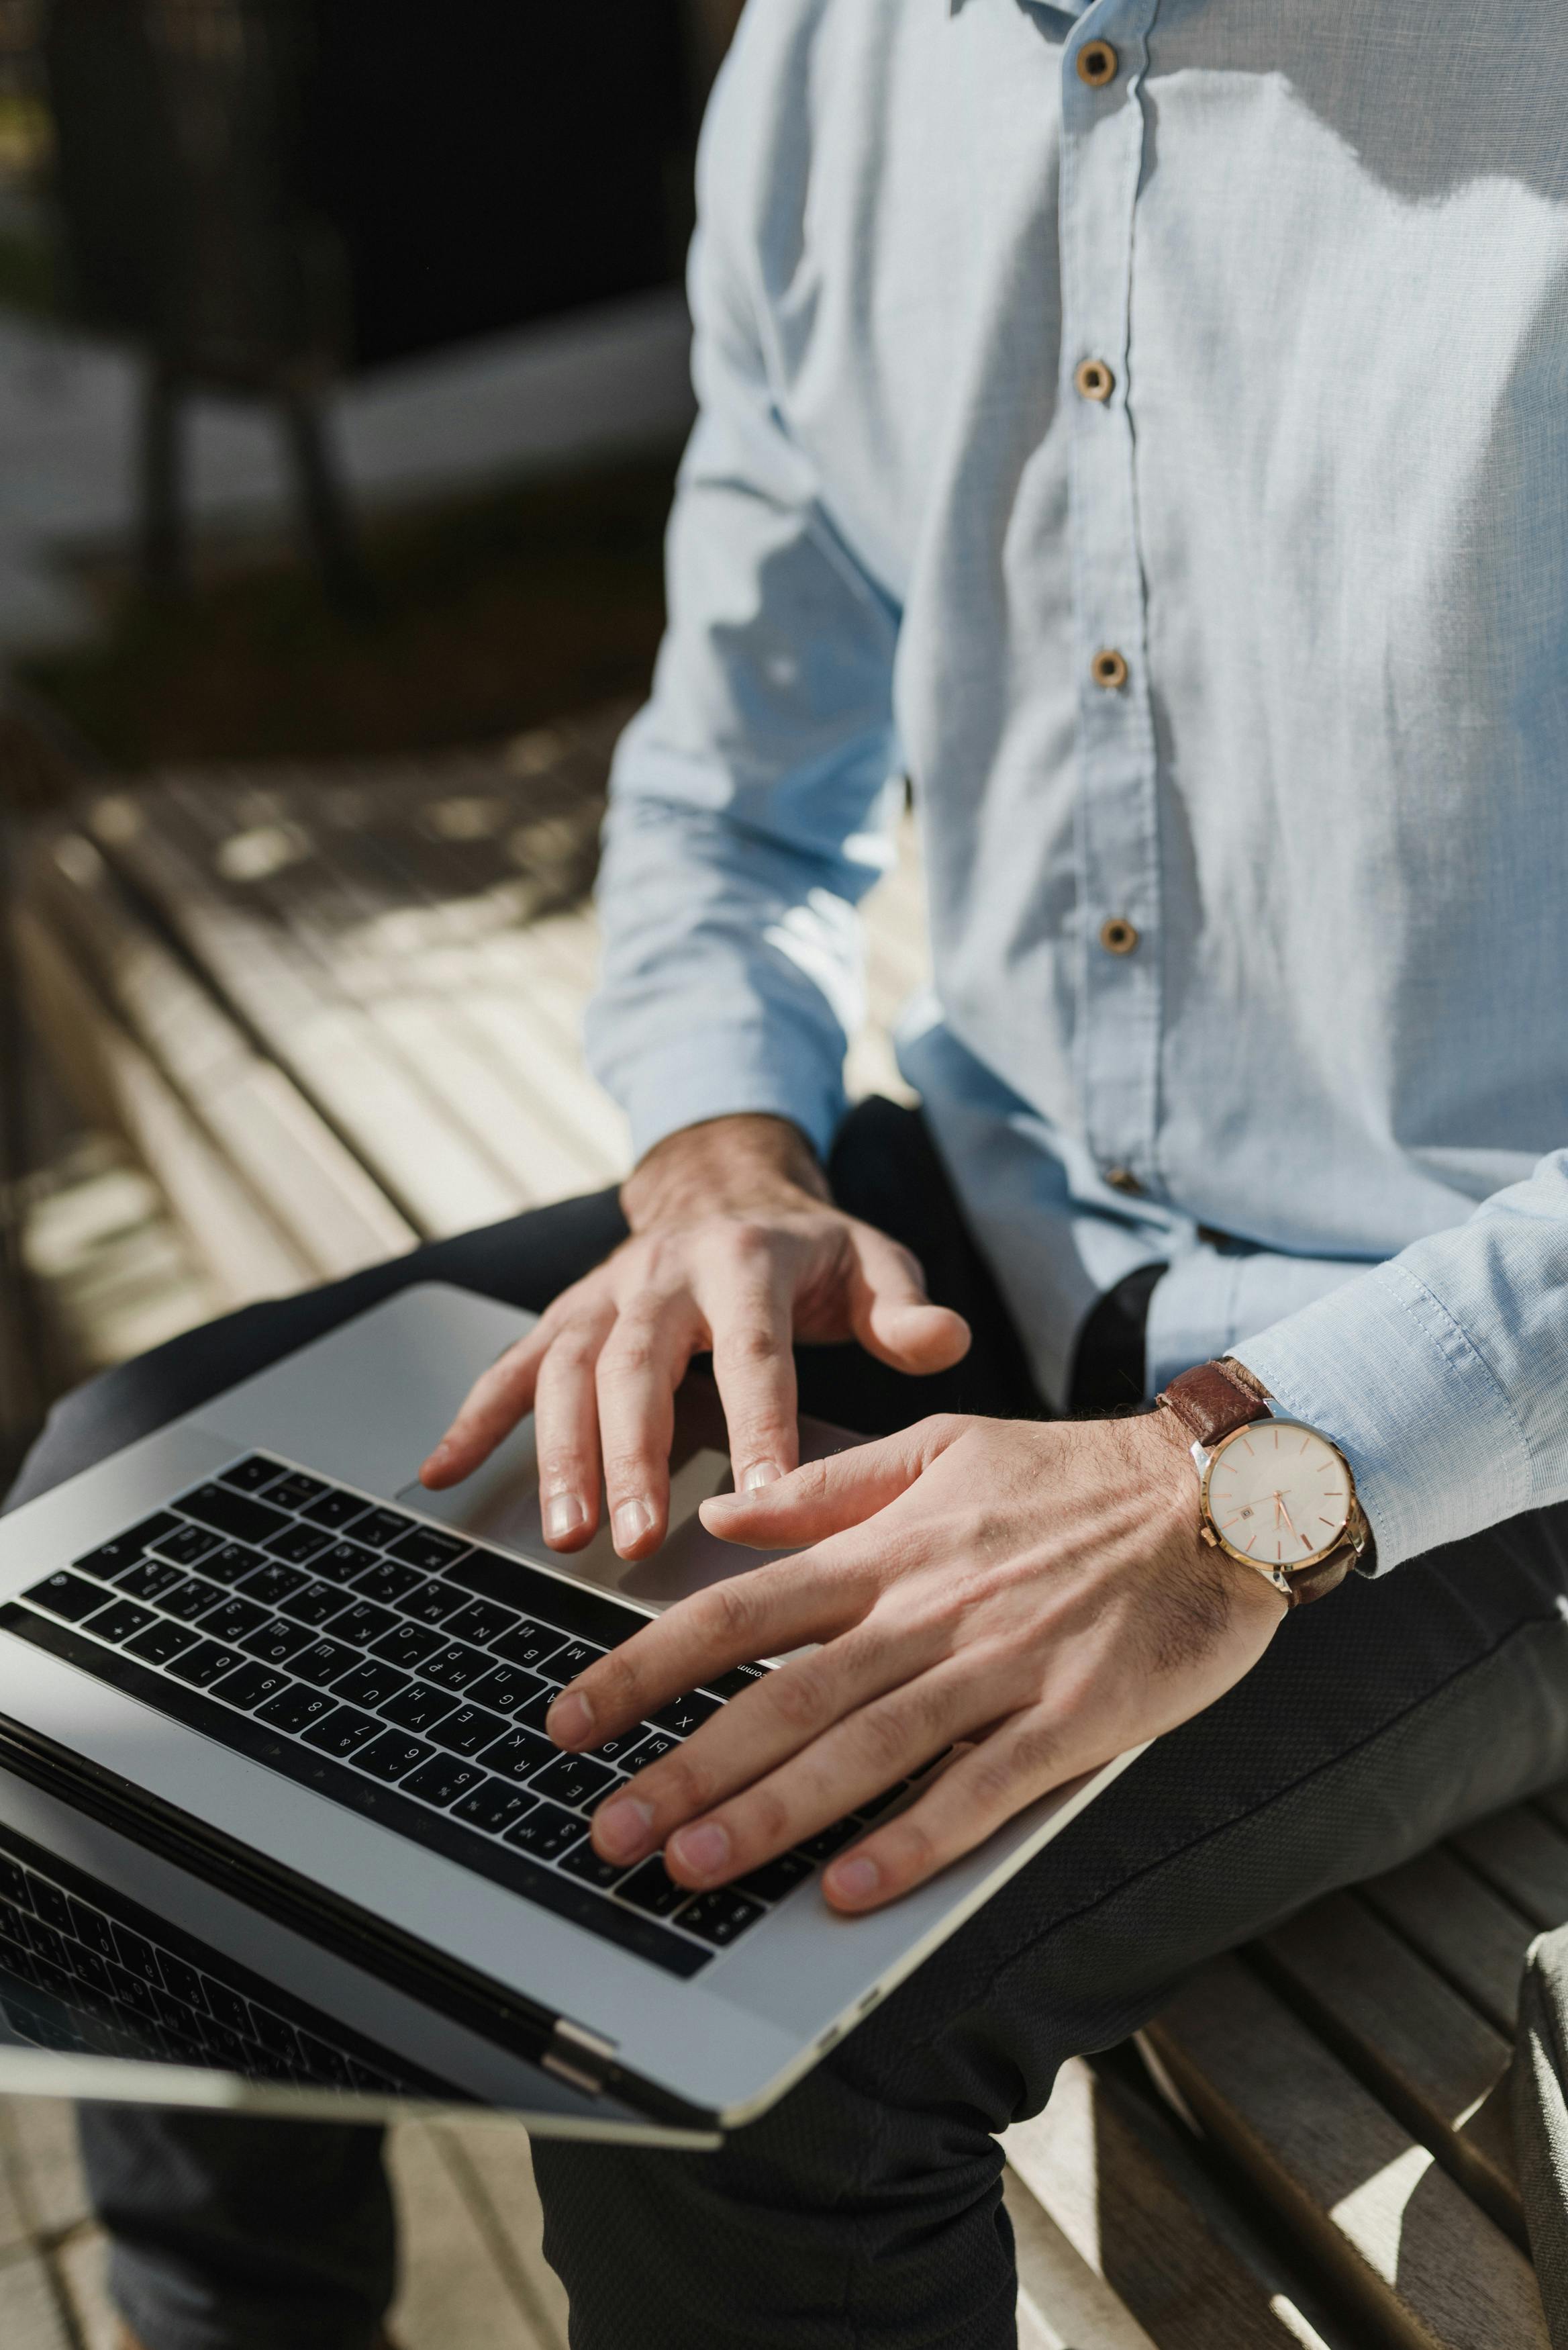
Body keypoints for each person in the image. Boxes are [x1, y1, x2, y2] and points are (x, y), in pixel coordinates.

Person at [13, 3, 1568, 2343]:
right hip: (984, 1215)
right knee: (100, 1579)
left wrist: (1223, 1478)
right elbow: (741, 784)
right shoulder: (841, 55)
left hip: (1469, 1410)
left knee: (745, 2069)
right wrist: (722, 1155)